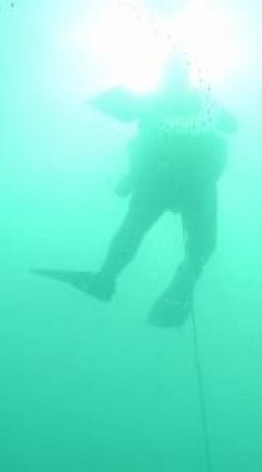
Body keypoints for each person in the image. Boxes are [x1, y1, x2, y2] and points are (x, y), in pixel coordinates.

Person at [35, 54, 237, 328]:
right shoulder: (190, 103)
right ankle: (144, 281)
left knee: (138, 231)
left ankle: (109, 280)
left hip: (170, 182)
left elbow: (118, 108)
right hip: (182, 183)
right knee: (191, 243)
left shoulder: (162, 102)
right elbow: (231, 125)